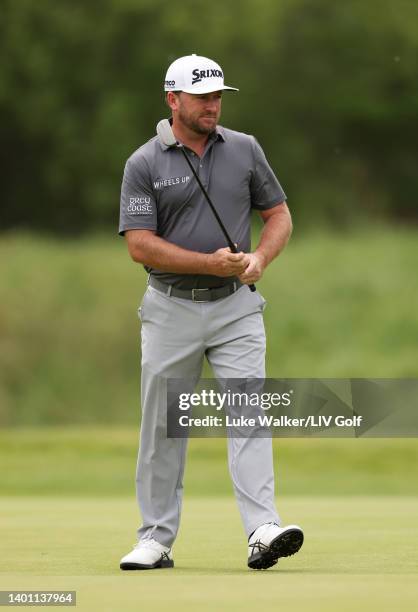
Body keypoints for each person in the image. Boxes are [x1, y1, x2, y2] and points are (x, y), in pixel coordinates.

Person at [118, 54, 303, 571]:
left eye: (218, 96)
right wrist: (211, 263)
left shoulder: (244, 149)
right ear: (172, 99)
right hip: (170, 307)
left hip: (236, 310)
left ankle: (263, 529)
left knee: (248, 412)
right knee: (164, 425)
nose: (213, 105)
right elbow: (140, 246)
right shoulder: (145, 163)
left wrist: (260, 259)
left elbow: (279, 215)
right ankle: (155, 538)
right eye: (202, 97)